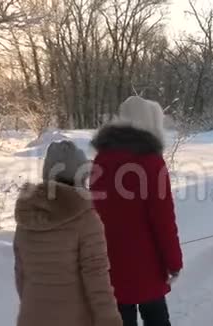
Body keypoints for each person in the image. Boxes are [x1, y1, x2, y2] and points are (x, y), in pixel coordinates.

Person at [90, 96, 183, 326]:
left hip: (109, 262)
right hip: (146, 265)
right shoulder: (151, 162)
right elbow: (163, 220)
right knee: (156, 318)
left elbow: (95, 210)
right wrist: (174, 262)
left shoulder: (101, 160)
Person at [13, 140, 123, 326]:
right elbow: (97, 278)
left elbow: (20, 275)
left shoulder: (28, 216)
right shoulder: (86, 219)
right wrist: (110, 320)